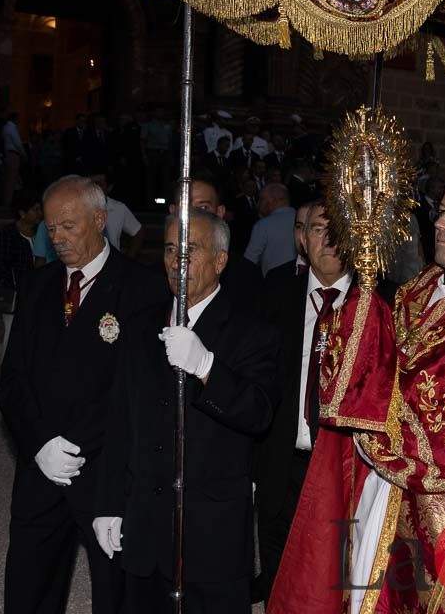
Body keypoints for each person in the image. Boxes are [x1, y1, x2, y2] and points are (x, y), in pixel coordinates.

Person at [269, 177, 445, 613]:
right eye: (442, 211)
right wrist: (360, 298)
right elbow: (376, 365)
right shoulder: (417, 289)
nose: (441, 223)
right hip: (385, 493)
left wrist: (379, 396)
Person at [94, 208, 280, 614]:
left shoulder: (252, 331)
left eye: (190, 251)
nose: (177, 262)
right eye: (170, 250)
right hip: (145, 528)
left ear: (220, 260)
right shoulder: (141, 326)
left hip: (211, 537)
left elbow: (259, 413)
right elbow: (120, 420)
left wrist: (207, 367)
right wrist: (108, 503)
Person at [0, 175, 165, 614]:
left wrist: (80, 444)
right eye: (51, 229)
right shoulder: (36, 287)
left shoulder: (142, 289)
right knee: (29, 588)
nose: (59, 238)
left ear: (100, 219)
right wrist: (41, 445)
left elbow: (138, 392)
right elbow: (12, 381)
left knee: (116, 593)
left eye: (69, 226)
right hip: (41, 469)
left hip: (106, 473)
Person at [254, 201, 349, 602]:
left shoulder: (383, 301)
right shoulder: (274, 294)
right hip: (281, 458)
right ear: (301, 238)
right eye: (316, 229)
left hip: (344, 466)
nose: (326, 239)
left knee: (336, 575)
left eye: (336, 229)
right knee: (279, 574)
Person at [0, 189, 42, 350]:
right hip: (14, 292)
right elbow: (0, 265)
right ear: (22, 213)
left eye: (40, 209)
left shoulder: (42, 233)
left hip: (36, 291)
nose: (39, 213)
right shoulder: (8, 234)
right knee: (12, 331)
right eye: (35, 210)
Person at [243, 182, 295, 276]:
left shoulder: (263, 225)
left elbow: (249, 261)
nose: (258, 204)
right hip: (301, 282)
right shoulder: (302, 219)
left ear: (274, 201)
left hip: (273, 283)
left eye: (261, 200)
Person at [90, 171, 145, 259]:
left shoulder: (118, 208)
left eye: (98, 184)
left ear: (109, 188)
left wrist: (128, 260)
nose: (94, 188)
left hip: (113, 265)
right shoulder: (80, 207)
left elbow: (138, 232)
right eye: (91, 183)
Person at [1, 112, 26, 207]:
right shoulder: (12, 127)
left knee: (8, 179)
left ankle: (6, 200)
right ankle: (8, 202)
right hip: (13, 154)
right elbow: (18, 143)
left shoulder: (5, 127)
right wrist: (24, 155)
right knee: (11, 180)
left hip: (8, 153)